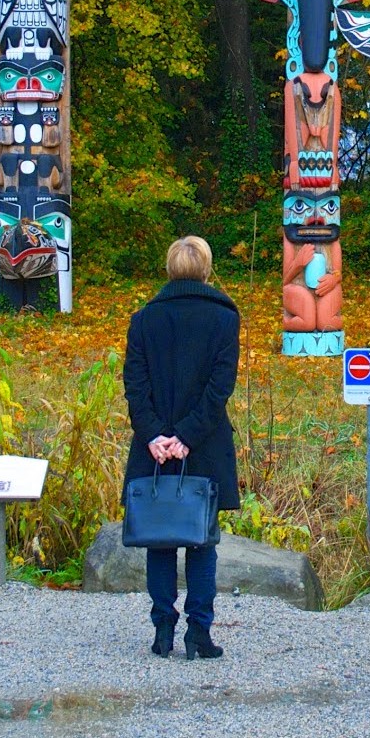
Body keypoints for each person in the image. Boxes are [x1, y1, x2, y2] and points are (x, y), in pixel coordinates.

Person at [123, 235, 241, 660]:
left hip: (153, 449)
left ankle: (162, 631)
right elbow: (219, 388)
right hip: (203, 445)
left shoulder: (144, 320)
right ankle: (199, 634)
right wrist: (187, 437)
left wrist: (155, 434)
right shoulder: (225, 319)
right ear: (206, 270)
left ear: (169, 270)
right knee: (201, 540)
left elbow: (135, 387)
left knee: (160, 539)